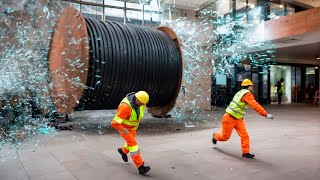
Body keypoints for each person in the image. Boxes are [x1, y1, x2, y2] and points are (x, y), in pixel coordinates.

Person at [212, 79, 273, 158]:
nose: (252, 88)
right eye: (251, 86)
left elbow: (238, 106)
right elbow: (255, 105)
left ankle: (245, 152)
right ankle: (215, 136)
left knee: (244, 135)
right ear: (249, 86)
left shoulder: (239, 92)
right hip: (229, 118)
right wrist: (265, 114)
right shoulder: (247, 94)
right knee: (225, 137)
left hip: (237, 119)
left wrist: (241, 117)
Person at [111, 91, 151, 175]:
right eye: (142, 103)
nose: (144, 105)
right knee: (133, 145)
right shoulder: (125, 107)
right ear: (137, 100)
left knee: (130, 143)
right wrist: (123, 129)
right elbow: (114, 123)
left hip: (133, 128)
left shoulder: (142, 103)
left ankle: (123, 151)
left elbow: (138, 114)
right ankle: (140, 166)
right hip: (124, 129)